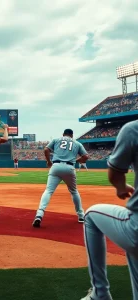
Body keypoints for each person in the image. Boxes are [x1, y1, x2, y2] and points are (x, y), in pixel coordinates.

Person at [81, 121, 138, 300]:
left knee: (90, 215)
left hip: (136, 231)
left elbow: (115, 174)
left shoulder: (133, 129)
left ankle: (100, 293)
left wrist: (121, 187)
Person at [32, 129, 89, 227]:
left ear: (63, 134)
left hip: (56, 166)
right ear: (72, 135)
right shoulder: (77, 143)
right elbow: (86, 156)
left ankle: (39, 214)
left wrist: (49, 161)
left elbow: (46, 150)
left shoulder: (56, 139)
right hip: (70, 167)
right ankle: (81, 215)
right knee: (74, 191)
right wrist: (77, 160)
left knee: (48, 191)